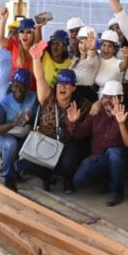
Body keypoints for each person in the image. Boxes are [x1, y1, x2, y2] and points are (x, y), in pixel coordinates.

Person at [28, 45, 92, 194]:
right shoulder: (47, 97)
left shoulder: (82, 105)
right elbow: (40, 77)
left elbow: (87, 130)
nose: (63, 87)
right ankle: (47, 176)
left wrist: (98, 104)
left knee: (69, 162)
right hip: (47, 141)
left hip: (69, 143)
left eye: (67, 85)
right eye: (60, 84)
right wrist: (36, 59)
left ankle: (67, 179)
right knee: (25, 164)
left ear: (74, 88)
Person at [66, 80, 128, 206]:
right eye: (106, 97)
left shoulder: (127, 115)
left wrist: (120, 122)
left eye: (112, 97)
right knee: (78, 180)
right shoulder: (96, 113)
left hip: (117, 158)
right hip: (97, 157)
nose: (108, 100)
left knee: (114, 153)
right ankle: (107, 181)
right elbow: (80, 133)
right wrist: (73, 122)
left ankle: (117, 191)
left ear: (120, 98)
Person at [0, 68, 38, 191]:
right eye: (16, 85)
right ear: (11, 86)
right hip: (3, 137)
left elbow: (39, 120)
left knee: (38, 140)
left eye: (23, 86)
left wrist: (30, 120)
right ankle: (8, 178)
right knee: (11, 144)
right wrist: (13, 123)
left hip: (24, 135)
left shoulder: (33, 98)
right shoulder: (3, 104)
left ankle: (18, 170)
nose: (19, 89)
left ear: (28, 87)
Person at [0, 12, 39, 90]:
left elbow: (39, 41)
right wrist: (3, 19)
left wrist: (39, 27)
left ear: (34, 34)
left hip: (33, 91)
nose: (25, 35)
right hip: (17, 91)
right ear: (18, 34)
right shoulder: (14, 44)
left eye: (29, 32)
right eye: (21, 31)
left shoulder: (37, 47)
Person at [94, 29, 128, 96]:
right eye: (104, 45)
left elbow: (125, 65)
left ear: (114, 49)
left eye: (110, 46)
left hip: (114, 99)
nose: (106, 48)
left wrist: (126, 57)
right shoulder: (97, 60)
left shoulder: (118, 63)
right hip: (99, 98)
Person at [70, 27, 100, 103]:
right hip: (73, 95)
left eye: (87, 43)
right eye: (81, 42)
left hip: (87, 97)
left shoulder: (94, 58)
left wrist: (91, 49)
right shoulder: (75, 58)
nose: (83, 46)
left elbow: (91, 57)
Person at [0, 19, 19, 103]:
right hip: (2, 99)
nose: (11, 34)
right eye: (10, 31)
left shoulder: (24, 51)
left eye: (15, 32)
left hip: (19, 98)